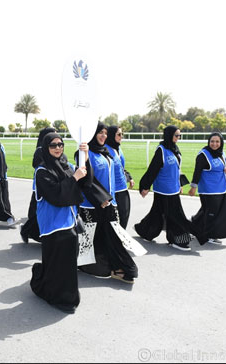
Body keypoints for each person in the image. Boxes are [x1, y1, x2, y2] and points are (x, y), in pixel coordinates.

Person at [30, 133, 92, 314]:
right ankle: (58, 296)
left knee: (67, 262)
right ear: (45, 148)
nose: (58, 148)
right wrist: (74, 178)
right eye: (53, 145)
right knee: (58, 262)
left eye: (60, 144)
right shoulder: (42, 171)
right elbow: (56, 195)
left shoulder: (68, 166)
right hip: (52, 225)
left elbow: (85, 182)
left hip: (69, 220)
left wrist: (85, 160)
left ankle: (64, 294)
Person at [77, 123, 138, 284]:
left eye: (105, 133)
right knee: (89, 241)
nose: (103, 135)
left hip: (109, 202)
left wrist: (112, 199)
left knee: (112, 237)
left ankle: (122, 267)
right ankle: (84, 265)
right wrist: (100, 199)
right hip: (91, 204)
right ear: (92, 134)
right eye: (100, 133)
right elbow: (85, 181)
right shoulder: (83, 152)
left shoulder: (106, 152)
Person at [134, 125, 197, 251]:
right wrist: (145, 186)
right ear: (169, 135)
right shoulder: (161, 150)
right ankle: (177, 240)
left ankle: (144, 230)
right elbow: (153, 170)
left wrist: (179, 184)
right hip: (163, 189)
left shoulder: (175, 149)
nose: (178, 138)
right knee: (175, 215)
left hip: (173, 188)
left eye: (180, 135)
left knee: (157, 213)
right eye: (176, 135)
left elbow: (177, 169)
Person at [188, 132, 226, 245]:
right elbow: (197, 171)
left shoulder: (221, 153)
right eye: (212, 141)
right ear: (208, 142)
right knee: (211, 213)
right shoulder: (203, 155)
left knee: (208, 211)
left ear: (221, 142)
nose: (214, 144)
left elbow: (220, 169)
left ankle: (191, 227)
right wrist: (193, 187)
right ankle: (209, 235)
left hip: (222, 188)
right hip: (209, 190)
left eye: (217, 141)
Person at [20, 127, 56, 244]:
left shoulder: (50, 148)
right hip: (40, 188)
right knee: (37, 215)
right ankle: (25, 230)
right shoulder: (40, 150)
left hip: (50, 186)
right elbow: (38, 166)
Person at [104, 125, 134, 229]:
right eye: (119, 134)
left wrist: (129, 177)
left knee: (124, 219)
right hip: (113, 192)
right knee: (115, 222)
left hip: (123, 189)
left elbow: (121, 167)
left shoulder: (118, 148)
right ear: (112, 135)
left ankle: (121, 242)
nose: (121, 137)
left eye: (122, 134)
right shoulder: (105, 150)